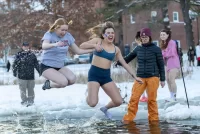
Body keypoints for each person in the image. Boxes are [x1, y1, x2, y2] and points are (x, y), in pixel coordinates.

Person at [80, 21, 143, 119]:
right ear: (103, 35)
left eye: (112, 33)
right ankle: (89, 94)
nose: (111, 35)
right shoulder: (98, 41)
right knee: (92, 103)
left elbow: (124, 63)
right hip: (94, 75)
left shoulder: (116, 49)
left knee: (118, 101)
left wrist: (135, 76)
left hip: (105, 77)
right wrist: (94, 46)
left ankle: (105, 109)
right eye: (108, 33)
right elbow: (82, 46)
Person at [115, 28, 165, 123]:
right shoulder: (138, 48)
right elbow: (128, 58)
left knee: (151, 100)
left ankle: (153, 120)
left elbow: (161, 65)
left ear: (149, 37)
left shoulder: (156, 49)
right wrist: (119, 62)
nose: (144, 39)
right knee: (134, 98)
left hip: (153, 77)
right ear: (140, 38)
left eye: (146, 37)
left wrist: (162, 79)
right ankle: (128, 119)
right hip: (140, 77)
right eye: (142, 37)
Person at [40, 18, 94, 90]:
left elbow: (78, 51)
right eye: (62, 30)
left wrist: (93, 50)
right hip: (46, 66)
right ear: (56, 28)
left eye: (66, 30)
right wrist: (55, 44)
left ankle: (50, 84)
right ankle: (49, 84)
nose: (64, 32)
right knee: (63, 82)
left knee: (72, 80)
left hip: (59, 66)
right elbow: (44, 46)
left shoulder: (68, 36)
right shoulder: (49, 34)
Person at [160, 29, 180, 102]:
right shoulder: (163, 43)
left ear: (168, 35)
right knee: (168, 80)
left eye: (164, 34)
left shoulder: (171, 42)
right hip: (167, 64)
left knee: (172, 80)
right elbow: (163, 55)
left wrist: (164, 53)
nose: (162, 36)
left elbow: (171, 53)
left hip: (174, 63)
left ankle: (174, 97)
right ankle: (171, 96)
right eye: (161, 35)